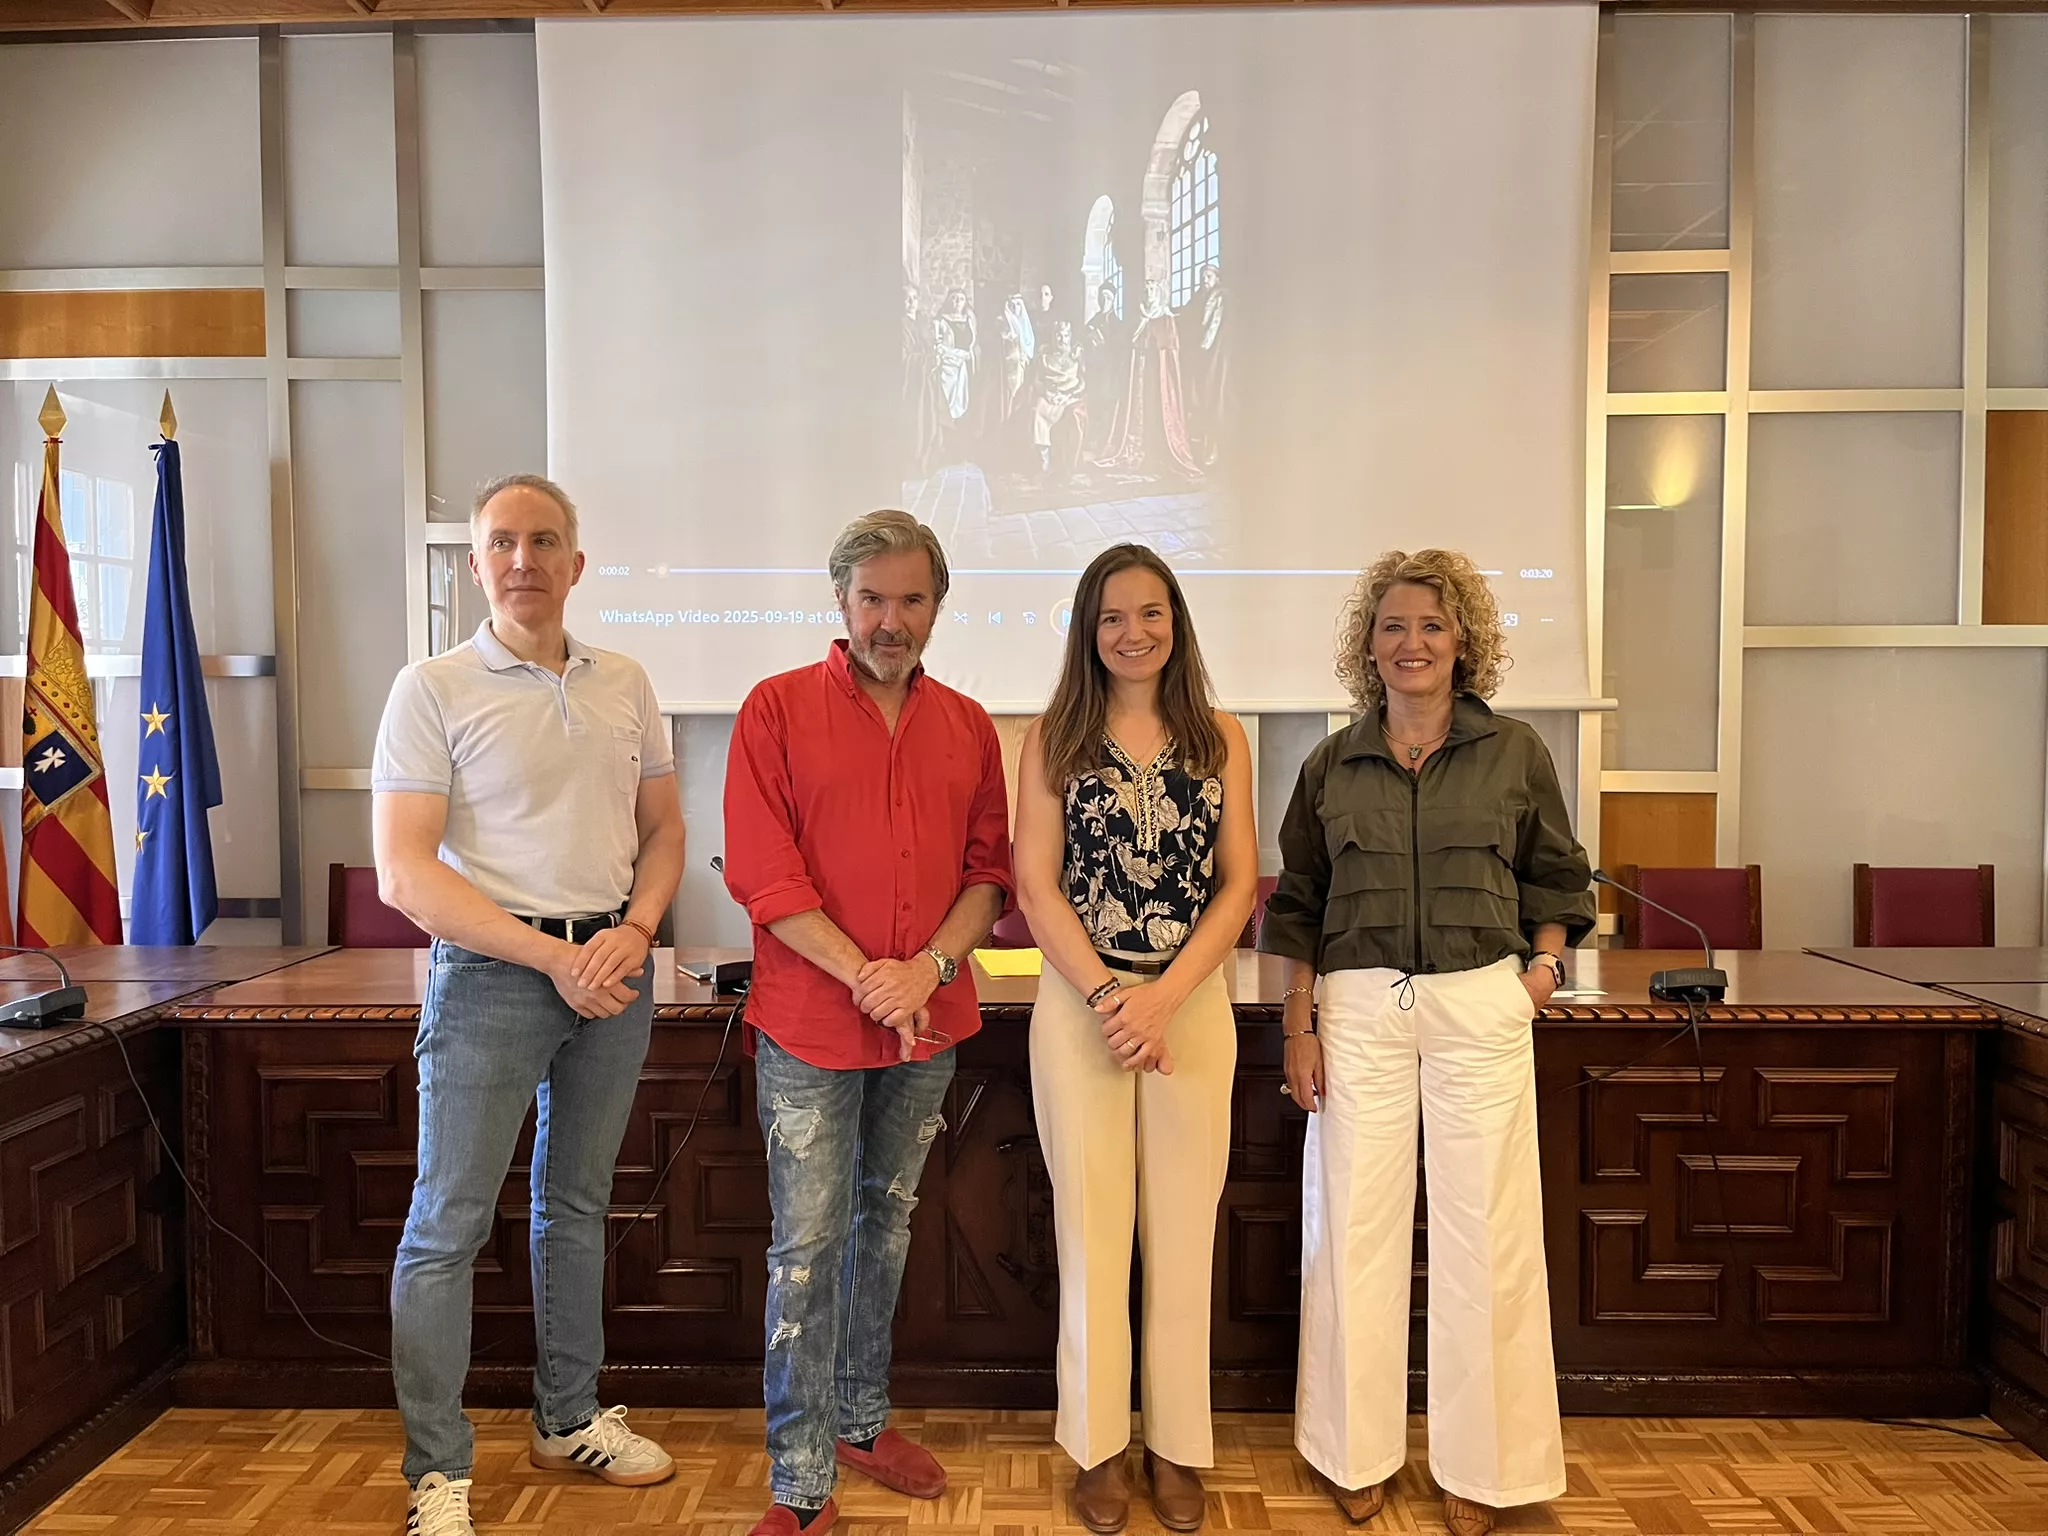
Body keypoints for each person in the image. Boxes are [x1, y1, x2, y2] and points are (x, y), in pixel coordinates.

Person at [372, 473, 687, 1536]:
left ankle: (568, 1417)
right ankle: (438, 1473)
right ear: (475, 563)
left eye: (543, 541)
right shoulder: (432, 687)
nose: (523, 560)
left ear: (576, 562)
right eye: (502, 542)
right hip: (493, 979)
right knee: (446, 1225)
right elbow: (405, 874)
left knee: (578, 1207)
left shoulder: (626, 682)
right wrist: (549, 959)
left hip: (614, 971)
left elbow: (664, 834)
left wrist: (632, 936)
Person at [1259, 549, 1593, 1536]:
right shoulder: (1330, 762)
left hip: (1476, 1007)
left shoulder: (1514, 752)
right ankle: (1350, 1453)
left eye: (1430, 628)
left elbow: (1558, 881)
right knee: (1351, 1237)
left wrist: (1537, 977)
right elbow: (1298, 908)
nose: (1411, 644)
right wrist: (1295, 1027)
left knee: (1485, 1243)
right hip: (1356, 1012)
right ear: (1368, 645)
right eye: (1393, 627)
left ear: (1463, 645)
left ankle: (1483, 1471)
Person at [723, 509, 1014, 1536]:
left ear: (936, 605)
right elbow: (764, 877)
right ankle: (800, 1487)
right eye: (873, 599)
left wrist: (926, 970)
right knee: (804, 1250)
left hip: (926, 1030)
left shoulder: (970, 726)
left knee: (883, 1227)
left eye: (912, 600)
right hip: (809, 1026)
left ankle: (857, 1419)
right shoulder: (772, 711)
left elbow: (990, 878)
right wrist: (868, 976)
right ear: (840, 602)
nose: (892, 620)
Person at [1013, 544, 1257, 1534]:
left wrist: (1161, 1001)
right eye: (1112, 616)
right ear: (1087, 628)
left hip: (1191, 1007)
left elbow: (1240, 884)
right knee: (1093, 1232)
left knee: (1180, 1234)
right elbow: (1035, 884)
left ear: (1175, 622)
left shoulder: (1222, 737)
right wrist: (1117, 996)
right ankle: (1098, 1444)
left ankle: (1175, 1447)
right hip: (1081, 1008)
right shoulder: (1049, 739)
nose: (1132, 632)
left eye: (1150, 613)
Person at [1097, 280, 1200, 479]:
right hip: (1139, 374)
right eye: (1146, 291)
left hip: (1158, 374)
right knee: (1138, 410)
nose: (1149, 294)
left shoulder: (1166, 318)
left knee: (1158, 409)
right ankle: (1137, 449)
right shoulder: (1139, 318)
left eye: (1153, 291)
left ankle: (1160, 451)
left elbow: (1169, 347)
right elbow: (1130, 345)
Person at [1028, 319, 1087, 477]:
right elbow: (1036, 381)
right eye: (1058, 336)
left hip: (1070, 396)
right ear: (1053, 337)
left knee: (1073, 414)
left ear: (1070, 337)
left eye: (1065, 336)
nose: (1062, 339)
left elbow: (1083, 381)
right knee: (1038, 410)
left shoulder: (1077, 356)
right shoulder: (1045, 357)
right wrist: (1046, 393)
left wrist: (1068, 394)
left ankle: (1070, 464)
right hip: (1050, 395)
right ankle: (1043, 456)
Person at [1180, 264, 1226, 467]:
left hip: (1215, 353)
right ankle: (1195, 446)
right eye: (1202, 276)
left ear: (1216, 278)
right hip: (1197, 354)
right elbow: (1187, 319)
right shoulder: (1198, 298)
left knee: (1213, 397)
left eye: (1208, 276)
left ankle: (1212, 448)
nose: (1204, 280)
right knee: (1195, 397)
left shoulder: (1220, 298)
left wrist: (1204, 347)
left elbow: (1213, 326)